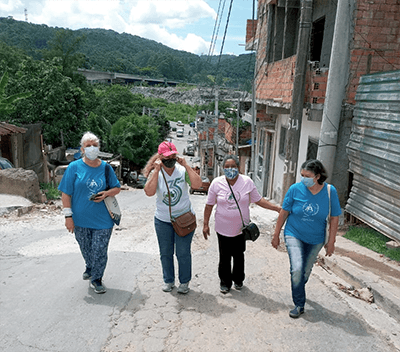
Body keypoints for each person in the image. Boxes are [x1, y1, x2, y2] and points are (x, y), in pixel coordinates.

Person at [271, 159, 341, 318]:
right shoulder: (295, 189)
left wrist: (331, 242)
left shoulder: (330, 191)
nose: (303, 179)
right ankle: (299, 304)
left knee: (305, 272)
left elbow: (334, 218)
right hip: (293, 233)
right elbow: (284, 212)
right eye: (302, 175)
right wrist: (276, 235)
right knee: (297, 269)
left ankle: (298, 287)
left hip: (316, 239)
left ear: (317, 176)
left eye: (307, 176)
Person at [203, 154, 281, 294]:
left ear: (239, 167)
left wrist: (276, 208)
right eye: (227, 167)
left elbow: (258, 200)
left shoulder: (247, 182)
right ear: (223, 168)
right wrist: (205, 224)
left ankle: (238, 280)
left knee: (239, 256)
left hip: (240, 229)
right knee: (224, 257)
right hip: (222, 228)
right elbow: (209, 205)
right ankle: (225, 282)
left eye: (233, 166)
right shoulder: (216, 183)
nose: (230, 169)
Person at [59, 132, 121, 294]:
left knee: (99, 250)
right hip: (80, 220)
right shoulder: (74, 167)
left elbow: (117, 188)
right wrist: (68, 216)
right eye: (88, 146)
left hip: (103, 220)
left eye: (95, 145)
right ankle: (90, 266)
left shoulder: (106, 168)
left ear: (99, 148)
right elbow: (66, 193)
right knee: (86, 248)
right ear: (82, 149)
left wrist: (106, 194)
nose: (92, 148)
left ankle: (97, 278)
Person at [143, 141, 202, 294]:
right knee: (165, 252)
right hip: (163, 221)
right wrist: (156, 170)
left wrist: (187, 165)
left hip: (184, 219)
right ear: (160, 157)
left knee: (183, 252)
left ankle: (184, 282)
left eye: (173, 156)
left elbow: (197, 185)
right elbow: (149, 192)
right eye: (167, 157)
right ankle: (168, 280)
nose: (170, 160)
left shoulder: (182, 171)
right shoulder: (156, 172)